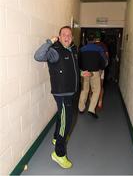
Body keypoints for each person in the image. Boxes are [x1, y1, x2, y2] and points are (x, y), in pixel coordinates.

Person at [34, 26, 80, 169]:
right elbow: (38, 56)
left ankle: (55, 137)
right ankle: (59, 154)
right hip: (62, 93)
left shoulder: (72, 50)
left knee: (62, 116)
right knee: (67, 122)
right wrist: (50, 41)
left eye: (69, 35)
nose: (67, 37)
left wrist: (81, 73)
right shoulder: (55, 51)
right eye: (63, 34)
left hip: (71, 91)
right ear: (59, 37)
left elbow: (72, 68)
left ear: (72, 37)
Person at [78, 33, 108, 118]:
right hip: (95, 72)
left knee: (84, 90)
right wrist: (100, 68)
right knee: (96, 90)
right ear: (94, 40)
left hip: (84, 72)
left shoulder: (82, 49)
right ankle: (91, 109)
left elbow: (78, 61)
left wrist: (82, 69)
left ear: (87, 40)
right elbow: (104, 61)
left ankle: (81, 108)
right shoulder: (99, 49)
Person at [94, 31, 109, 109]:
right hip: (101, 68)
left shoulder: (92, 45)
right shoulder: (103, 45)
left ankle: (93, 102)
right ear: (100, 38)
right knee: (101, 85)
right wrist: (104, 66)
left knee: (93, 86)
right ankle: (100, 101)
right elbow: (107, 57)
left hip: (93, 69)